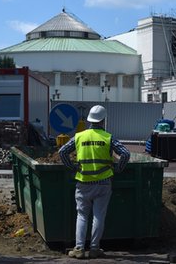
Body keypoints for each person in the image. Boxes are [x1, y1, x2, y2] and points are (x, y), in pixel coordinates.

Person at [59, 105, 130, 259]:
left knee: (82, 215)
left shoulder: (79, 137)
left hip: (84, 182)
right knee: (99, 216)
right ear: (103, 120)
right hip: (103, 182)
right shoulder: (107, 137)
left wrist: (72, 167)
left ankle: (78, 249)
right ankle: (94, 248)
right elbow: (125, 153)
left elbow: (62, 151)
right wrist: (118, 169)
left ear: (90, 120)